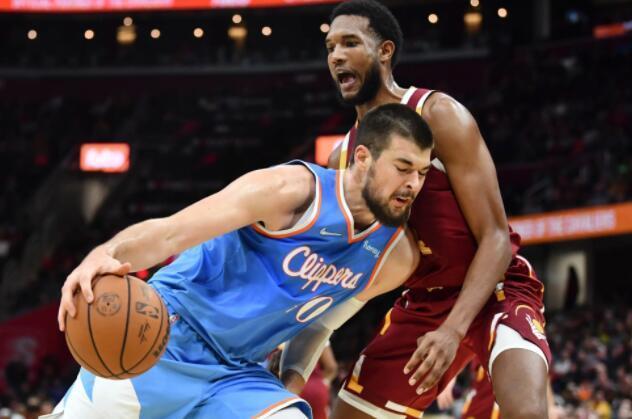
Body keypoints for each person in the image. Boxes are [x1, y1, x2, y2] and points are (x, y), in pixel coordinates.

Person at [50, 104, 433, 419]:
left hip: (237, 373)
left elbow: (320, 323)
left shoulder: (393, 258)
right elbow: (170, 233)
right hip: (164, 337)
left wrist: (292, 380)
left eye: (422, 172)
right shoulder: (290, 191)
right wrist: (107, 253)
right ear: (362, 158)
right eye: (403, 168)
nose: (413, 184)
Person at [280, 1, 552, 418]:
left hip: (494, 287)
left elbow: (497, 238)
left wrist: (453, 330)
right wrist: (289, 371)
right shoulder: (341, 161)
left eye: (350, 42)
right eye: (330, 46)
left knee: (527, 412)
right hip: (424, 301)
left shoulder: (438, 114)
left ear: (385, 51)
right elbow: (339, 276)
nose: (336, 55)